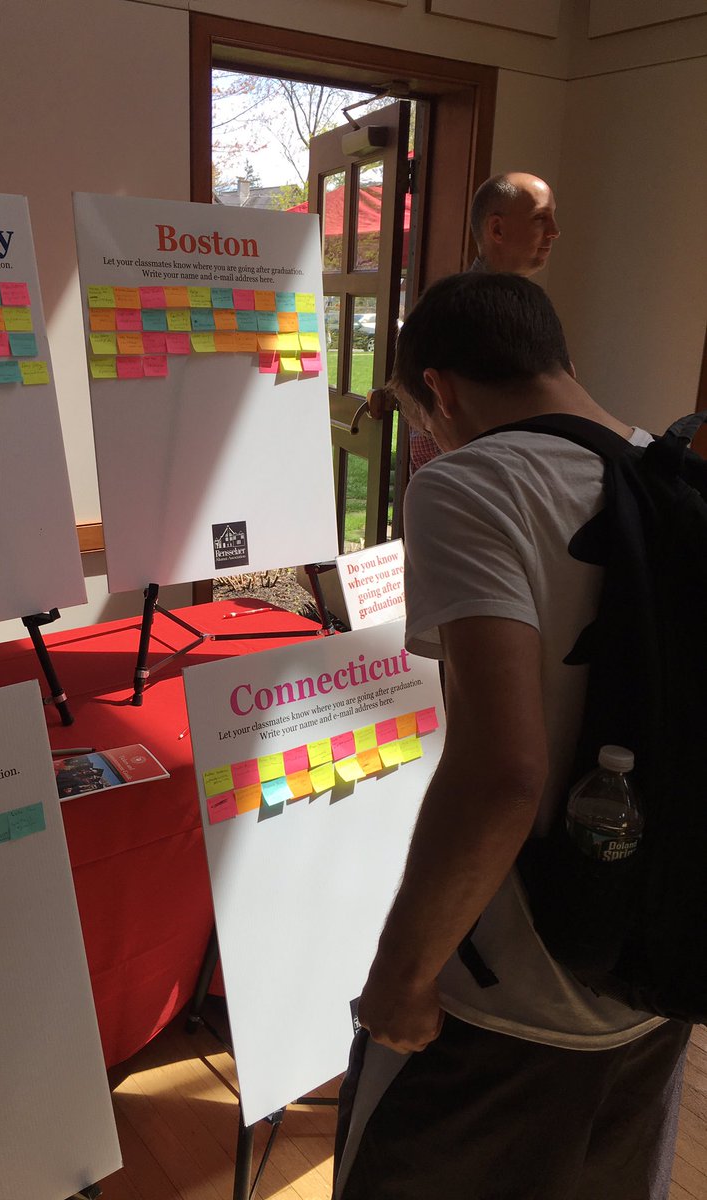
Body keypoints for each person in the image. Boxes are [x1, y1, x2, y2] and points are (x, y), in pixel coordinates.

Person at [334, 272, 690, 1200]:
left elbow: (502, 772)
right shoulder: (676, 472)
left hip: (508, 996)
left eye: (422, 415)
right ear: (560, 361)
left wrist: (402, 976)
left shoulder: (472, 483)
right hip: (657, 968)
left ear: (440, 391)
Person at [370, 171, 560, 471]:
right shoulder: (452, 315)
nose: (554, 231)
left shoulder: (523, 310)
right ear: (496, 229)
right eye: (540, 218)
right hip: (467, 488)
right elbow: (421, 417)